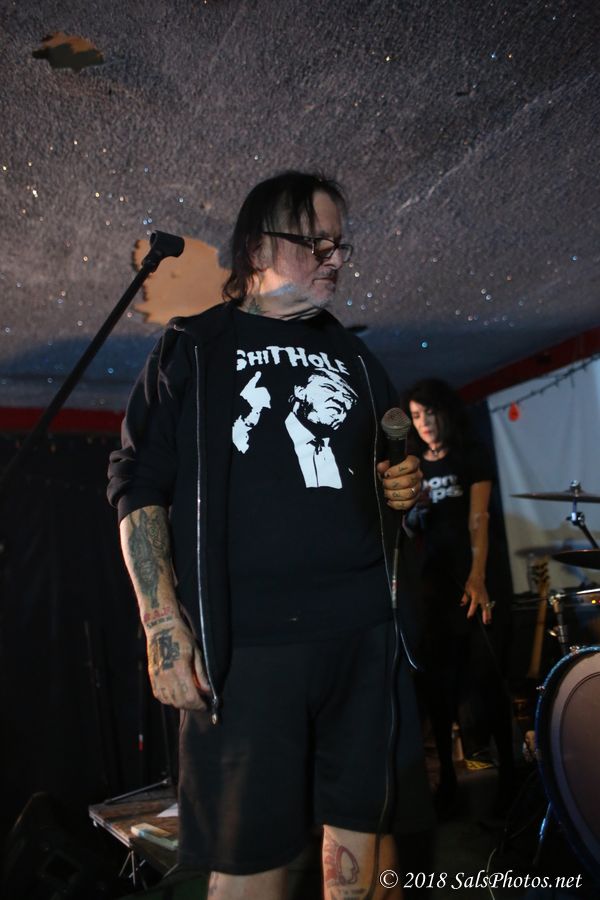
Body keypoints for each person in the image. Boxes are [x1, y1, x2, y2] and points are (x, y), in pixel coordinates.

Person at [108, 171, 432, 900]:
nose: (334, 258)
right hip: (249, 646)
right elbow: (137, 483)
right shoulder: (194, 346)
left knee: (365, 840)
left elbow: (391, 468)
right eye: (314, 242)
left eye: (340, 244)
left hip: (364, 632)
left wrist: (403, 488)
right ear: (257, 248)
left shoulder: (357, 357)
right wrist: (162, 622)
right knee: (249, 862)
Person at [404, 378, 515, 818]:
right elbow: (410, 530)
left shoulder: (471, 454)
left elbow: (479, 518)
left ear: (446, 412)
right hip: (436, 585)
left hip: (479, 576)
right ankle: (447, 781)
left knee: (488, 678)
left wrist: (477, 576)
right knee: (438, 685)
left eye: (429, 412)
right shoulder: (415, 465)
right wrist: (414, 509)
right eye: (416, 416)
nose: (424, 423)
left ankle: (510, 775)